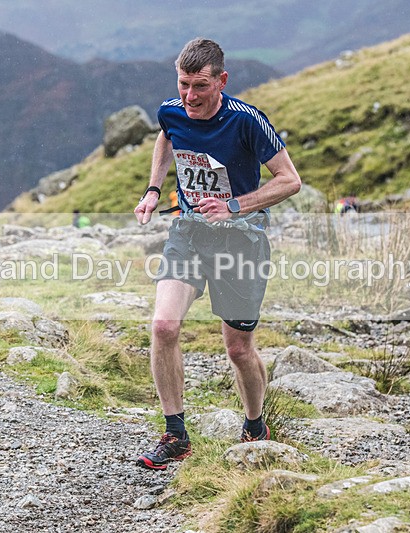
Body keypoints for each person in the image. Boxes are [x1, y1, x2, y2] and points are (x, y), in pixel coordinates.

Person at [133, 38, 301, 470]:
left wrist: (233, 206)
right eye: (184, 84)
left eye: (200, 86)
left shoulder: (247, 121)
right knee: (165, 325)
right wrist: (153, 190)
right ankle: (176, 435)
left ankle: (255, 424)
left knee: (239, 350)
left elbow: (290, 181)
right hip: (188, 234)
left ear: (221, 80)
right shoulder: (173, 110)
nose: (190, 96)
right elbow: (165, 137)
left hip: (241, 241)